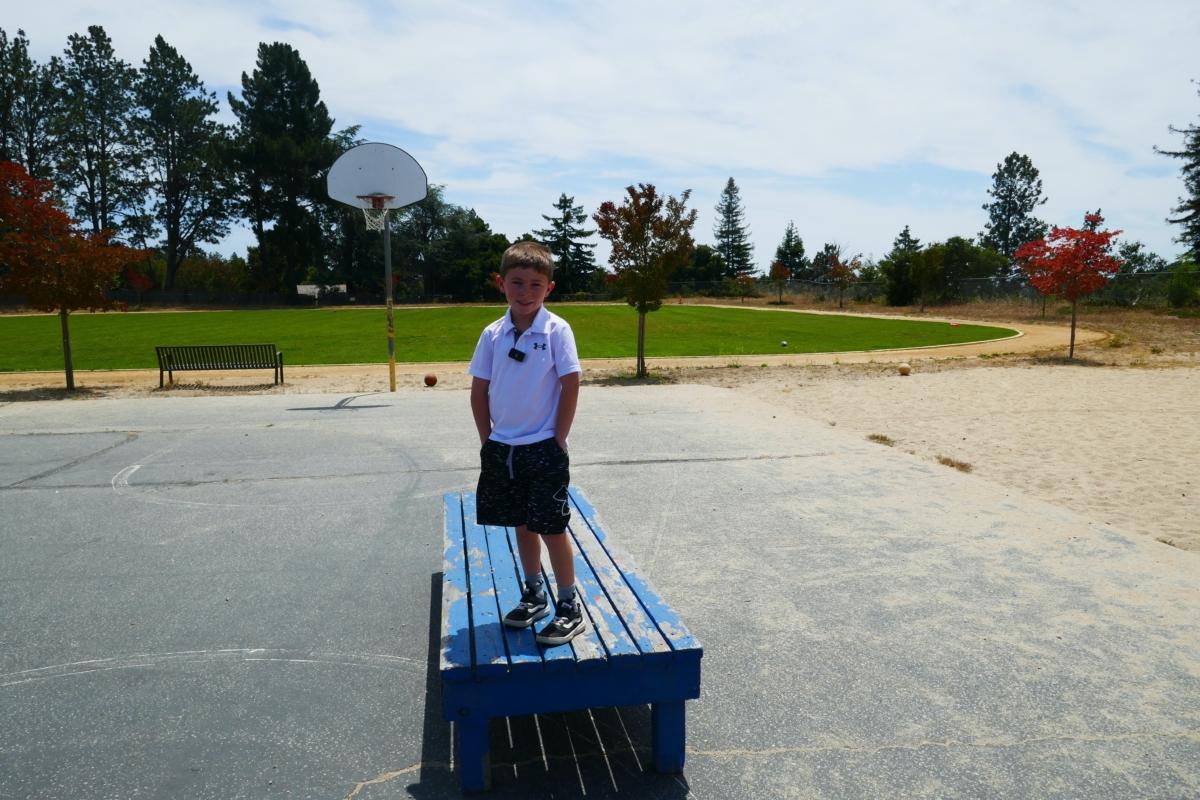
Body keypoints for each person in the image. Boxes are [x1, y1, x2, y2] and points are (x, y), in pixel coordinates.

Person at [468, 241, 585, 646]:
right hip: (504, 448)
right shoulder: (492, 334)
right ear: (502, 284)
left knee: (551, 527)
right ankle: (534, 593)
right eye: (517, 283)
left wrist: (559, 437)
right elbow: (478, 391)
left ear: (548, 289)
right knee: (521, 523)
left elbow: (571, 383)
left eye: (536, 284)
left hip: (543, 448)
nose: (525, 292)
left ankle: (569, 604)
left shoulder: (556, 330)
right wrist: (490, 442)